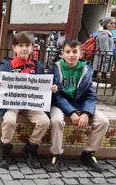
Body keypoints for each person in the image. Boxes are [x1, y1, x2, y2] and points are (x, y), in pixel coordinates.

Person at [0, 31, 53, 169]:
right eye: (20, 45)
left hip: (31, 103)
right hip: (11, 104)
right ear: (14, 48)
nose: (24, 48)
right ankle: (4, 151)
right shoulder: (6, 65)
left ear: (32, 48)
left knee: (44, 121)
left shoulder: (37, 66)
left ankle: (31, 148)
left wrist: (50, 88)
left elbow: (42, 86)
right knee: (9, 121)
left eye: (27, 45)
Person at [46, 39, 109, 173]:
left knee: (103, 121)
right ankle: (57, 155)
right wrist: (71, 112)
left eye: (75, 52)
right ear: (62, 54)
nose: (71, 55)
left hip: (80, 104)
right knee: (57, 121)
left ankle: (88, 154)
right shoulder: (55, 68)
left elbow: (91, 95)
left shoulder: (86, 70)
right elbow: (55, 95)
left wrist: (86, 113)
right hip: (60, 104)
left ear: (81, 54)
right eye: (68, 52)